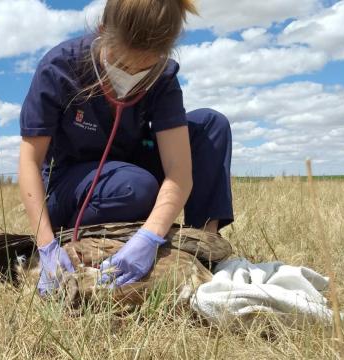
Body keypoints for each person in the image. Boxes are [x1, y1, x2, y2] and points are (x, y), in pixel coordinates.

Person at [18, 0, 234, 295]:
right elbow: (29, 161)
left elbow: (178, 171)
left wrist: (150, 237)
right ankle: (79, 236)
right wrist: (45, 246)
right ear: (102, 32)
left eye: (147, 67)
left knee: (211, 125)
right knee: (136, 185)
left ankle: (205, 248)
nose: (133, 76)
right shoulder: (60, 68)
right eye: (121, 64)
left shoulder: (163, 77)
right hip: (68, 185)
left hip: (128, 170)